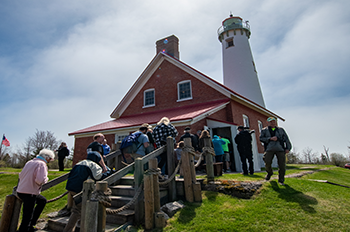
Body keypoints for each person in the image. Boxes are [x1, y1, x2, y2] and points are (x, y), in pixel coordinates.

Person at [63, 151, 108, 232]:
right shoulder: (93, 165)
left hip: (71, 187)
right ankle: (68, 230)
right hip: (81, 189)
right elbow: (98, 177)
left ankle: (80, 225)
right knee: (77, 211)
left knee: (79, 208)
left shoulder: (79, 163)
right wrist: (108, 173)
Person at [16, 149, 55, 232]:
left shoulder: (30, 162)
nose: (50, 161)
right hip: (30, 192)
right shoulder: (42, 164)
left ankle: (31, 225)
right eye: (50, 159)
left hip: (21, 190)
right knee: (27, 215)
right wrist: (46, 179)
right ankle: (24, 229)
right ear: (47, 157)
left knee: (42, 201)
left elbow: (21, 175)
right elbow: (40, 180)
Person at [259, 117, 292, 185]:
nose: (273, 123)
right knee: (267, 161)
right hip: (269, 148)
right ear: (268, 122)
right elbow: (261, 138)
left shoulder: (281, 130)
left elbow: (286, 139)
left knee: (282, 165)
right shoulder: (264, 130)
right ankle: (269, 173)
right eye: (271, 122)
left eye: (274, 121)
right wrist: (270, 138)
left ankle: (281, 180)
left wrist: (288, 148)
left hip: (280, 149)